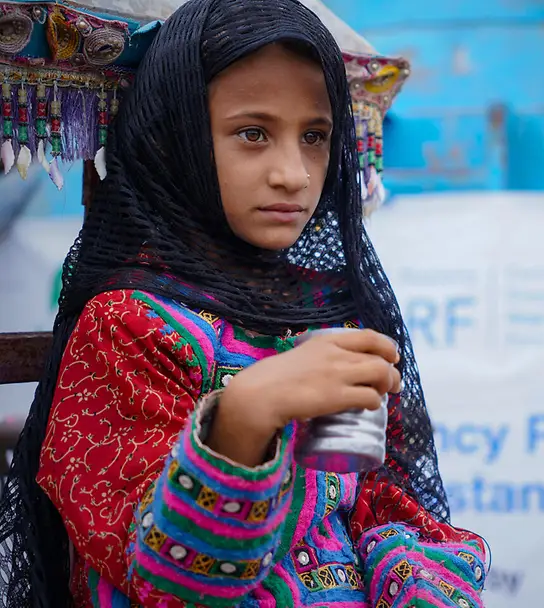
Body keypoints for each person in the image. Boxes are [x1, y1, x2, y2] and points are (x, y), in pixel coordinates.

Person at [0, 0, 489, 607]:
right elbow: (166, 580)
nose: (294, 174)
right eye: (253, 133)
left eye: (315, 137)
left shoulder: (324, 311)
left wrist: (418, 580)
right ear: (175, 139)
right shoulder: (127, 326)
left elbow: (382, 509)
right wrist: (242, 419)